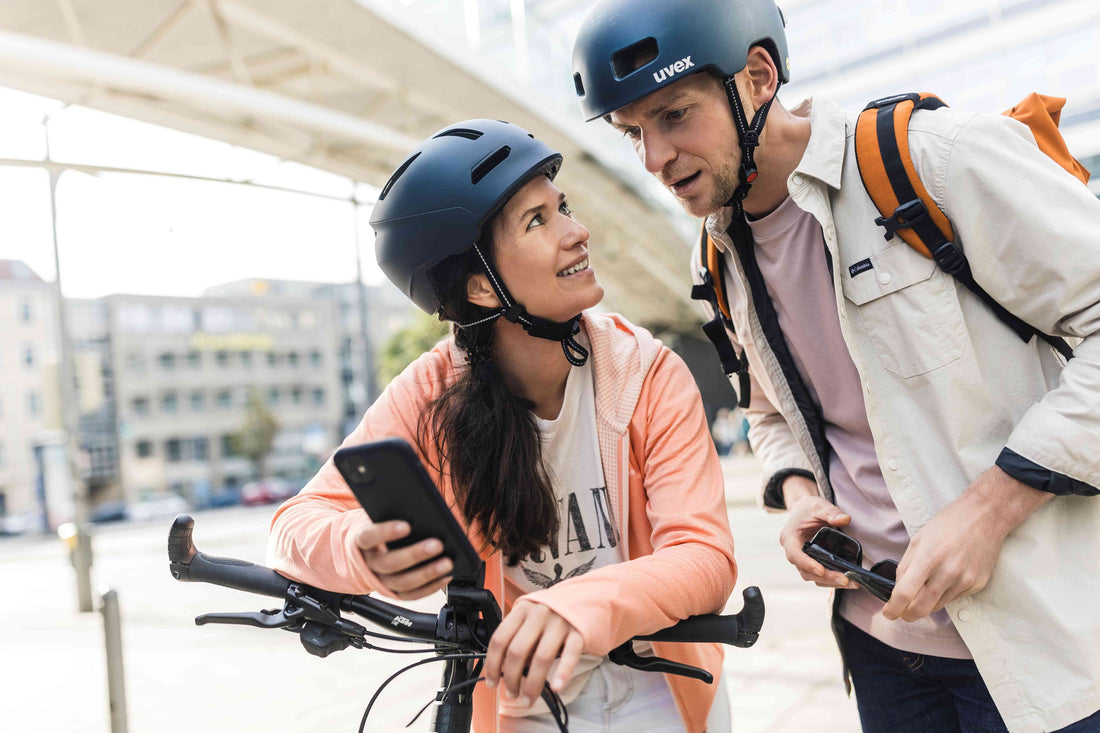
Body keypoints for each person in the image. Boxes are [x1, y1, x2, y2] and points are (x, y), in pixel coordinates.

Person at [571, 1, 1100, 732]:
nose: (655, 157)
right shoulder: (718, 253)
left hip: (1042, 646)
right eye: (634, 133)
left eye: (674, 115)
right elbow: (766, 408)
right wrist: (795, 496)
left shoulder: (933, 157)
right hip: (879, 645)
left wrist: (989, 511)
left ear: (758, 76)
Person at [267, 119, 737, 733]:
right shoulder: (432, 394)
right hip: (522, 699)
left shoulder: (646, 374)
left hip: (660, 684)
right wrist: (360, 548)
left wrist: (575, 607)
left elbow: (704, 557)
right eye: (538, 221)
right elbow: (293, 525)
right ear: (483, 287)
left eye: (561, 207)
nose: (578, 232)